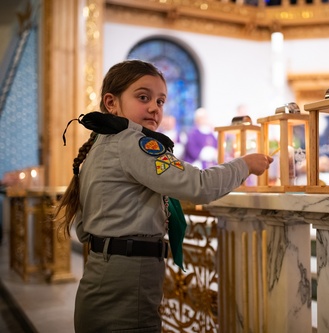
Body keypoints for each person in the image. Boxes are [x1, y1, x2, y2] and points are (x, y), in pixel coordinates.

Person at [55, 60, 273, 333]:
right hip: (127, 277)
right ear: (111, 103)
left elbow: (85, 228)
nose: (154, 108)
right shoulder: (132, 142)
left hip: (105, 273)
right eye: (143, 97)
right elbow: (198, 185)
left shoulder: (103, 143)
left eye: (160, 101)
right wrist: (245, 164)